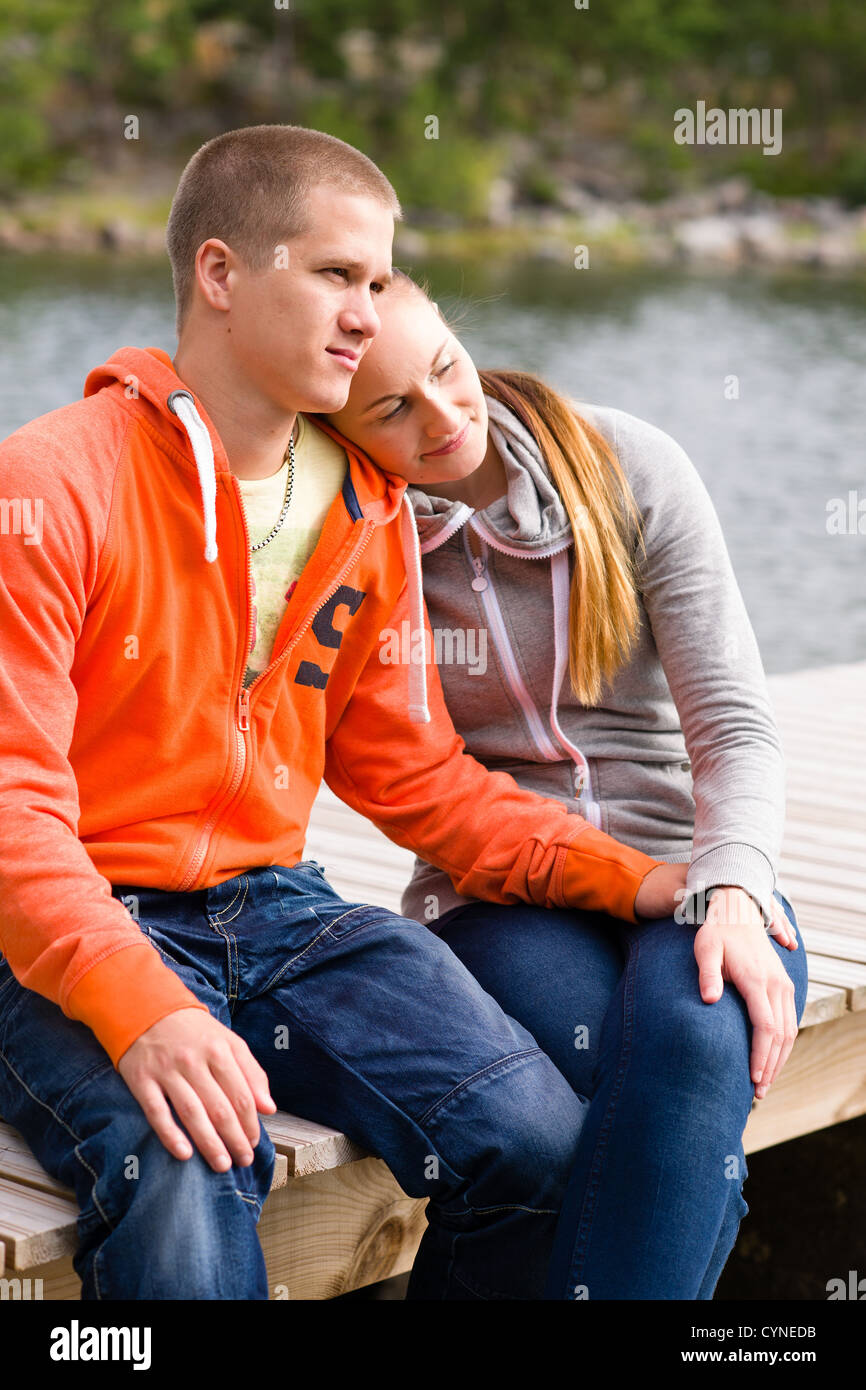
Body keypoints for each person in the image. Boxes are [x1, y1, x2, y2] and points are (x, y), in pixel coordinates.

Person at [0, 125, 690, 1302]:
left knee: (532, 1137)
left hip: (273, 909)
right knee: (188, 1160)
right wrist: (140, 1006)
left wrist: (640, 879)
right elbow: (13, 813)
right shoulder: (51, 486)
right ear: (221, 274)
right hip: (60, 929)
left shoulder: (368, 512)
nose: (367, 314)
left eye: (376, 281)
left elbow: (419, 781)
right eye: (333, 274)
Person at [324, 267, 809, 1300]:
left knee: (693, 1036)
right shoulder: (355, 539)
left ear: (459, 333)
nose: (446, 416)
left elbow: (732, 724)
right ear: (341, 430)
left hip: (688, 855)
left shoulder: (624, 463)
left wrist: (731, 886)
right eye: (392, 409)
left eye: (446, 368)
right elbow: (403, 769)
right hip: (503, 886)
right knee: (597, 1062)